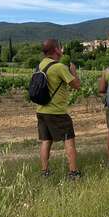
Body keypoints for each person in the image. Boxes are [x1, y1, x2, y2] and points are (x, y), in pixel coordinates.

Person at [36, 39, 81, 180]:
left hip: (41, 111)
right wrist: (73, 72)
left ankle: (45, 171)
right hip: (57, 112)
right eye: (60, 48)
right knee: (69, 141)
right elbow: (76, 85)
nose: (62, 50)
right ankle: (73, 173)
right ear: (56, 49)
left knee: (45, 140)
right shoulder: (59, 67)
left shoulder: (39, 66)